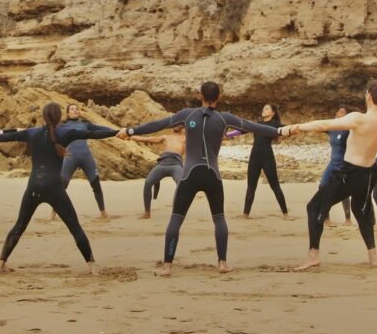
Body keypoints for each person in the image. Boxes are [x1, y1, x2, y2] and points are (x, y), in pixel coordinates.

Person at [119, 81, 291, 276]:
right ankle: (222, 263)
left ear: (200, 95)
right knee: (219, 219)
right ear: (218, 97)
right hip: (212, 175)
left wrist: (130, 131)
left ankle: (167, 266)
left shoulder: (187, 114)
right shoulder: (225, 118)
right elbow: (254, 127)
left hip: (189, 174)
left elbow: (158, 125)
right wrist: (281, 130)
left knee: (176, 219)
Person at [288, 83, 377, 270]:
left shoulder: (359, 118)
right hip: (369, 174)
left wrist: (296, 126)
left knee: (314, 207)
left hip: (349, 173)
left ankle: (313, 255)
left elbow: (325, 124)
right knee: (361, 211)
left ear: (369, 97)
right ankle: (373, 257)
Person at [0, 103, 118, 275]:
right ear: (60, 116)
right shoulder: (66, 133)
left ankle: (0, 264)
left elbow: (8, 136)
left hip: (34, 187)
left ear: (43, 116)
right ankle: (92, 267)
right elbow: (92, 134)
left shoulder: (32, 133)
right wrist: (120, 132)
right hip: (55, 188)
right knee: (75, 227)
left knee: (19, 226)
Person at [231, 103, 289, 218]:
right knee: (251, 186)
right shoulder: (257, 124)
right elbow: (243, 130)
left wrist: (292, 131)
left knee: (275, 186)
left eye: (266, 109)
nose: (263, 110)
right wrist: (228, 134)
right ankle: (245, 214)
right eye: (263, 108)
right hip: (254, 157)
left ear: (273, 113)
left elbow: (289, 129)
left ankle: (285, 214)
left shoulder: (276, 124)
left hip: (267, 157)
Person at [60, 103, 109, 218]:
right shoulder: (62, 125)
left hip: (86, 157)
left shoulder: (85, 124)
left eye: (76, 109)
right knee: (61, 186)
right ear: (68, 113)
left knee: (96, 184)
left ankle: (103, 211)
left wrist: (118, 131)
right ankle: (54, 212)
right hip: (70, 157)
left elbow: (101, 129)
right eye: (72, 109)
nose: (75, 110)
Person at [131, 125, 186, 218]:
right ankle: (147, 213)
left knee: (181, 185)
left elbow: (201, 139)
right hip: (162, 164)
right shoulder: (166, 137)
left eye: (179, 124)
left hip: (176, 165)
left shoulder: (185, 138)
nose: (176, 126)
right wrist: (130, 136)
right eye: (175, 124)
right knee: (148, 183)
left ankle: (176, 213)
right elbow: (146, 139)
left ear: (183, 127)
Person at [319, 107, 352, 226]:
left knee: (342, 190)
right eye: (338, 111)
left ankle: (348, 219)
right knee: (323, 186)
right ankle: (326, 218)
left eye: (342, 112)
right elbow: (319, 126)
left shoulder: (349, 130)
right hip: (332, 163)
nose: (338, 113)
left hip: (343, 164)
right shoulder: (332, 128)